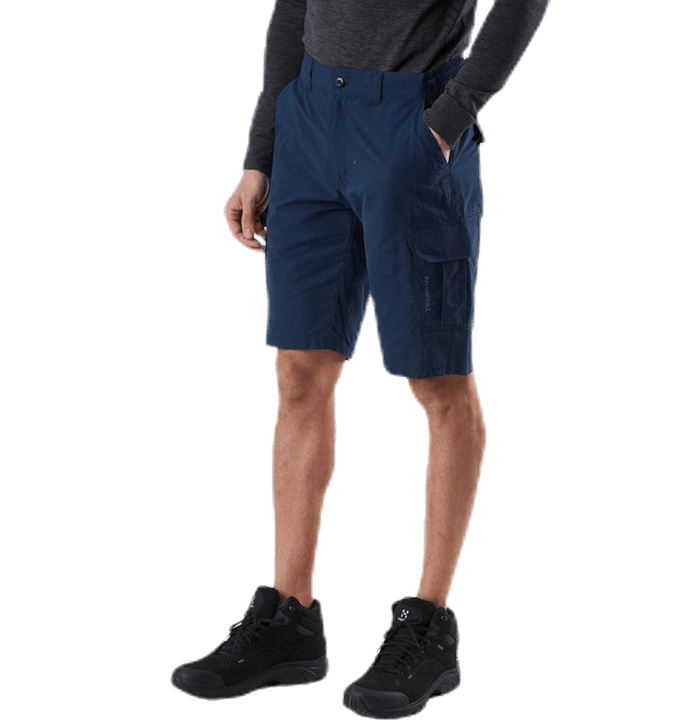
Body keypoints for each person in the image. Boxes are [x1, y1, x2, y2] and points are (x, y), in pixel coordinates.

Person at [170, 1, 551, 717]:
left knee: (438, 379)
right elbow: (294, 7)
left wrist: (450, 118)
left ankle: (429, 627)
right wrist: (261, 150)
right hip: (310, 118)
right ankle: (290, 619)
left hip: (412, 117)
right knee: (299, 370)